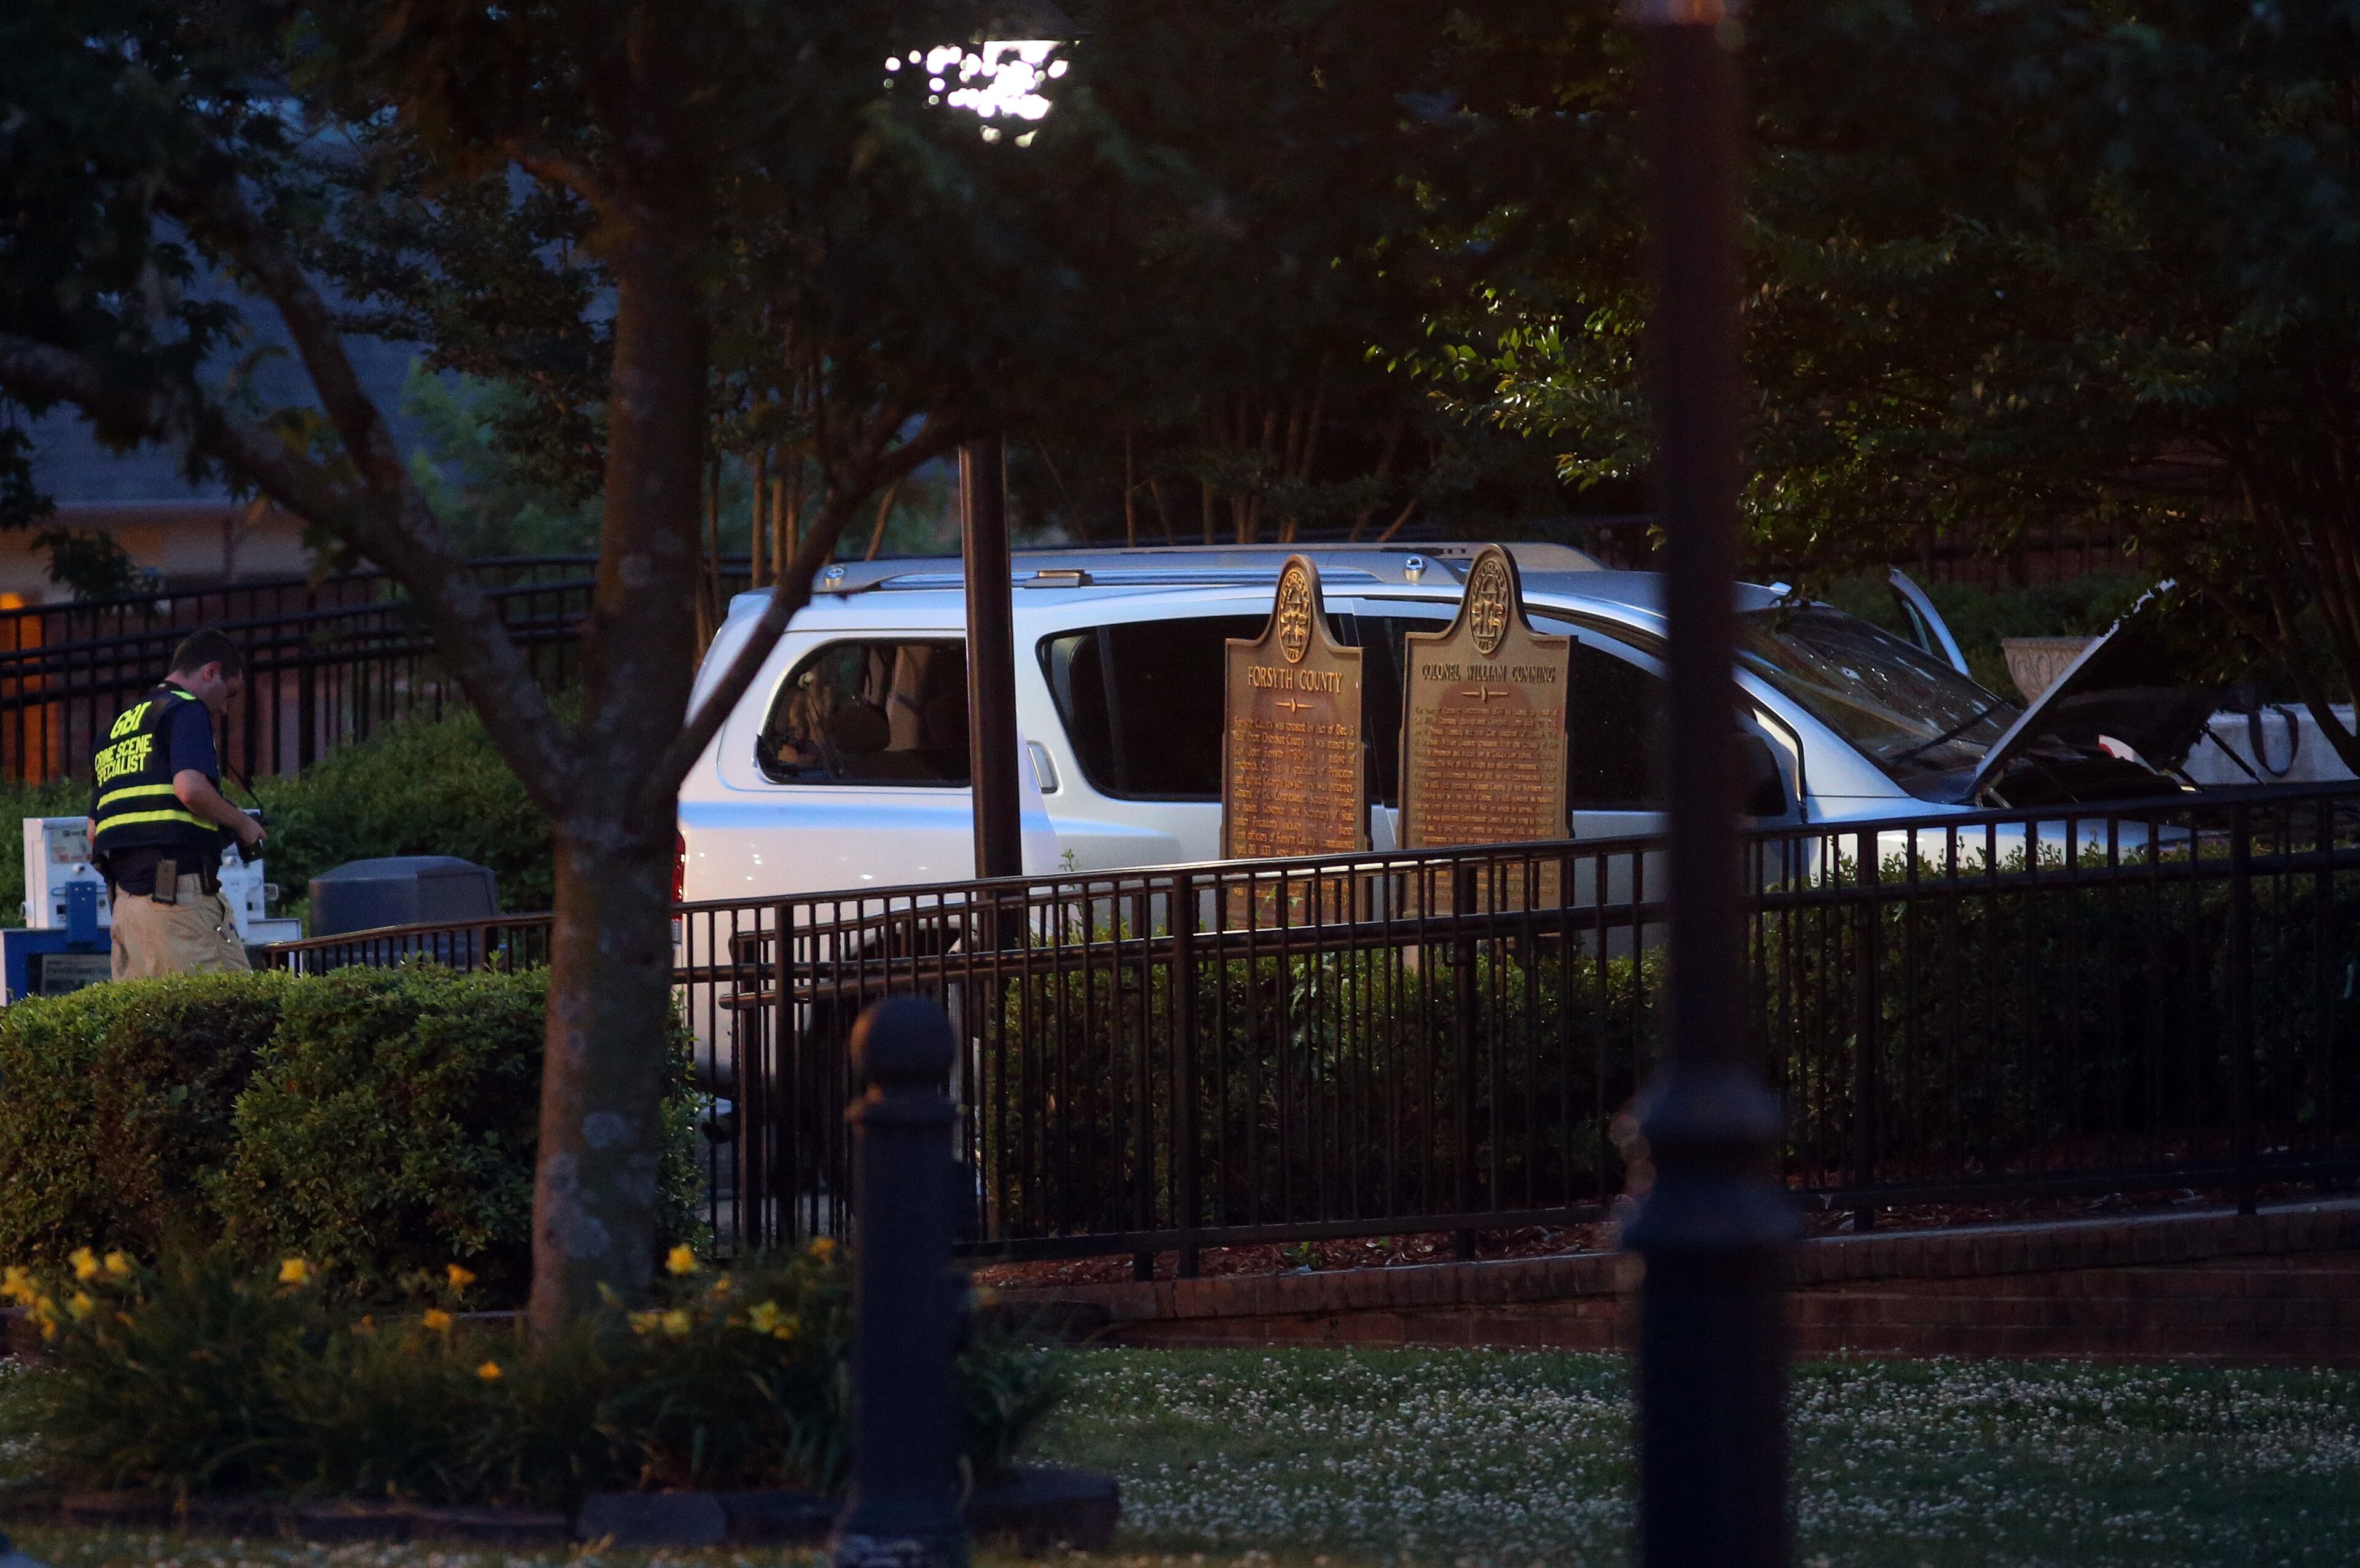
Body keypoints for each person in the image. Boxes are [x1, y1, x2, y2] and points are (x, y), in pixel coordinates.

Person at [85, 629, 267, 979]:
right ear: (210, 671)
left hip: (126, 911)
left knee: (156, 1024)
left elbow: (95, 831)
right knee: (220, 1020)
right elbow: (190, 789)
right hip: (180, 901)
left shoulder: (117, 729)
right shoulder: (186, 711)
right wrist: (242, 824)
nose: (225, 709)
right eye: (228, 694)